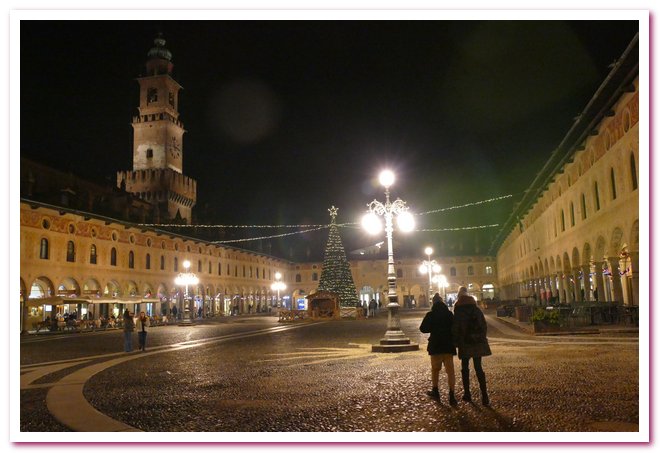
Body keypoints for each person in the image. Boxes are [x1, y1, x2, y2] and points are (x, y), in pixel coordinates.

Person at [452, 287, 491, 406]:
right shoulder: (476, 310)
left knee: (465, 368)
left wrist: (456, 343)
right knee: (478, 368)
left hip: (465, 343)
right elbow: (484, 325)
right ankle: (484, 396)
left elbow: (455, 329)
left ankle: (467, 394)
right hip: (477, 342)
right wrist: (480, 337)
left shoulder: (458, 312)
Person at [419, 293, 458, 406]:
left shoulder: (430, 314)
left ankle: (435, 390)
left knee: (435, 370)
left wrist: (433, 327)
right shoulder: (449, 314)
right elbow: (454, 327)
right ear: (443, 302)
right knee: (450, 372)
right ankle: (451, 395)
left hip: (435, 345)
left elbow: (423, 329)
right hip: (448, 346)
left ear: (433, 303)